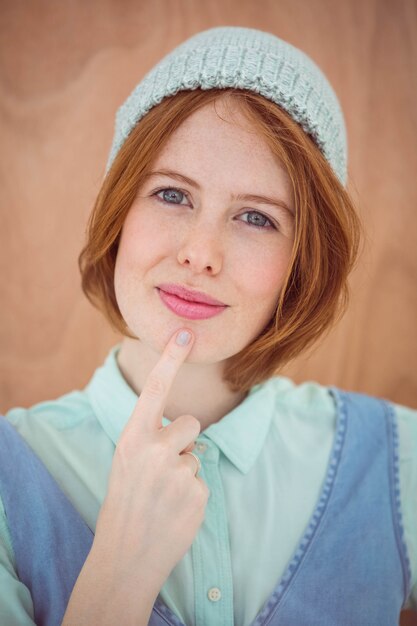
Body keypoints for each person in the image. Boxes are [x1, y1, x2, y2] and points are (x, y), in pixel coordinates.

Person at [0, 25, 416, 626]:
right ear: (119, 215)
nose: (201, 254)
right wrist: (118, 572)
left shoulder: (397, 461)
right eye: (171, 195)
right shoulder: (9, 479)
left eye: (256, 217)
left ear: (303, 263)